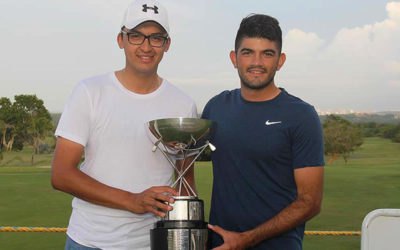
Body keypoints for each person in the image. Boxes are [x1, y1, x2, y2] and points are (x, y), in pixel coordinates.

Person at [51, 0, 197, 249]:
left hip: (153, 242)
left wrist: (189, 235)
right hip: (90, 241)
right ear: (121, 39)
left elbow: (185, 179)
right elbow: (61, 174)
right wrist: (132, 200)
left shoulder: (183, 104)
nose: (146, 47)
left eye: (156, 38)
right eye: (136, 36)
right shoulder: (89, 91)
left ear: (167, 44)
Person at [201, 14, 324, 250]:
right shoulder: (216, 107)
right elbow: (189, 158)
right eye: (247, 52)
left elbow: (310, 202)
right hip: (219, 245)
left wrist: (247, 239)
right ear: (234, 58)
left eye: (267, 53)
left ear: (280, 60)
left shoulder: (301, 115)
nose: (256, 62)